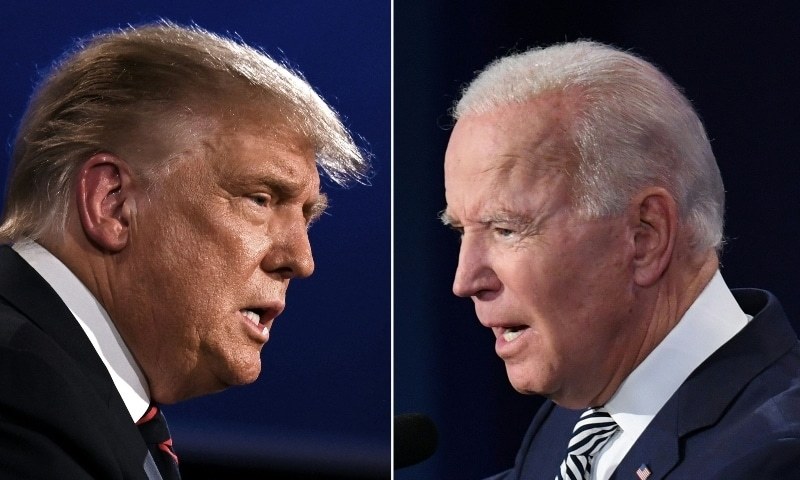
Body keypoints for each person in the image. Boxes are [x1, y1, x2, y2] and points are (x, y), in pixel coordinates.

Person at [0, 21, 368, 479]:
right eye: (260, 199)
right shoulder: (21, 389)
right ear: (112, 203)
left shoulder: (71, 388)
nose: (301, 259)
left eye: (308, 216)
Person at [440, 41, 800, 479]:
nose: (465, 279)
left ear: (644, 237)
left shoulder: (774, 457)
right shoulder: (579, 415)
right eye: (462, 231)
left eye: (506, 229)